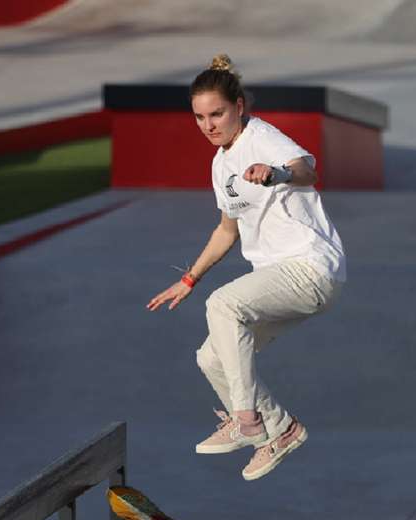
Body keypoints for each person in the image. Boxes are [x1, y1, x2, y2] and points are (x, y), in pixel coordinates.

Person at [147, 54, 346, 481]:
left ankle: (246, 419)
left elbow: (307, 170)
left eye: (216, 114)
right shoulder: (221, 165)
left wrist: (275, 173)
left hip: (309, 266)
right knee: (211, 358)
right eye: (199, 117)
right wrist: (189, 278)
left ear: (239, 106)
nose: (208, 125)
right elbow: (226, 231)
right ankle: (279, 429)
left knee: (224, 306)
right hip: (276, 278)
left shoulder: (261, 137)